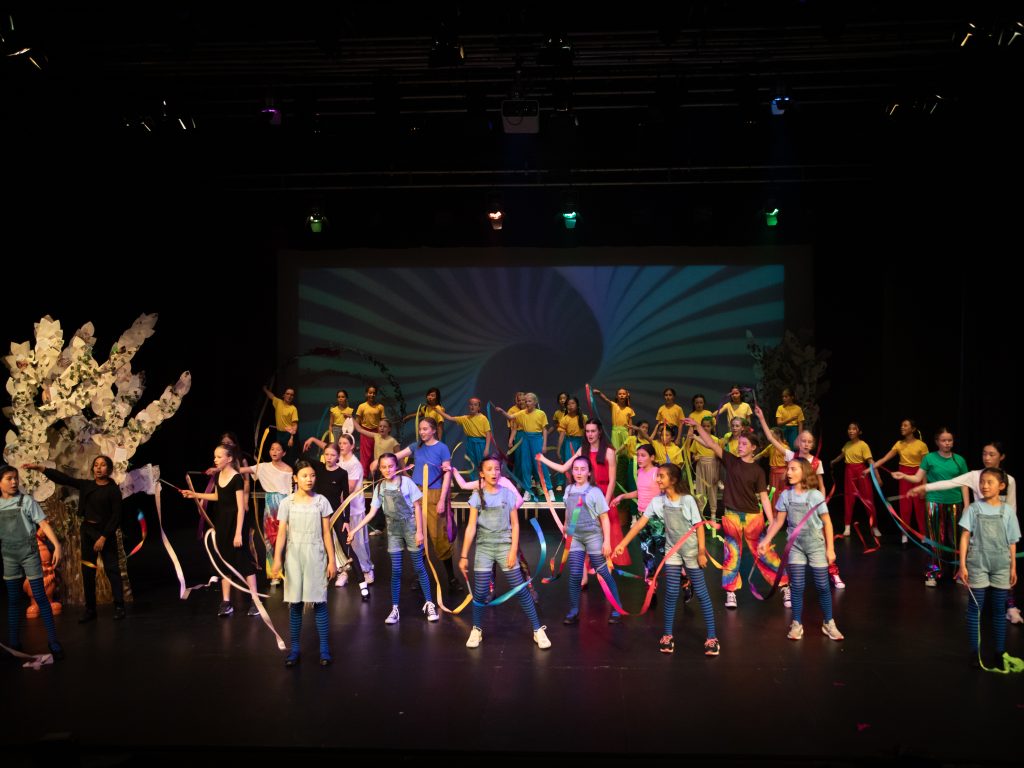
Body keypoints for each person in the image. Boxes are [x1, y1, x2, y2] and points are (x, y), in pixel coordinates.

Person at [615, 463, 719, 656]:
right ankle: (668, 635)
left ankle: (712, 636)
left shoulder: (688, 500)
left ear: (673, 480)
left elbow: (699, 526)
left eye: (661, 476)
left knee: (703, 594)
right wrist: (623, 543)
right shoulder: (658, 501)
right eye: (658, 476)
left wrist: (702, 551)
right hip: (673, 551)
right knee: (671, 593)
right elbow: (639, 524)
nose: (658, 479)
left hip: (691, 552)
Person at [911, 441, 1020, 623]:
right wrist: (925, 487)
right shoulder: (974, 476)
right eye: (984, 453)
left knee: (1004, 573)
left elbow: (1012, 510)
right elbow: (949, 483)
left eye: (992, 454)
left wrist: (1009, 537)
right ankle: (975, 609)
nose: (986, 458)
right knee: (977, 574)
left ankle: (1011, 607)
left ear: (1001, 457)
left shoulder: (1009, 481)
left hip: (1000, 537)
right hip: (979, 535)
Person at [685, 416, 783, 610]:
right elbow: (712, 443)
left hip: (754, 517)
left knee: (765, 553)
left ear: (753, 447)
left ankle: (784, 584)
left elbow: (764, 497)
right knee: (732, 554)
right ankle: (730, 592)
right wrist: (697, 427)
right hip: (731, 516)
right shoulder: (730, 460)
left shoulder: (758, 471)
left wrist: (771, 521)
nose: (739, 446)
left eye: (744, 443)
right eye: (739, 443)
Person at [459, 456, 550, 650]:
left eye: (497, 469)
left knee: (520, 589)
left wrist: (512, 551)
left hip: (504, 546)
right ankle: (476, 629)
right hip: (484, 547)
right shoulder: (477, 496)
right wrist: (464, 555)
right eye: (489, 469)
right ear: (482, 474)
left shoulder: (508, 494)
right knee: (481, 592)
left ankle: (537, 629)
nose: (494, 472)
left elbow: (515, 525)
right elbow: (471, 527)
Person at [28, 456, 126, 622]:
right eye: (96, 465)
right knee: (88, 572)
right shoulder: (87, 485)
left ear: (108, 469)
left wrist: (103, 537)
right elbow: (64, 479)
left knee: (112, 571)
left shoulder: (113, 490)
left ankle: (119, 607)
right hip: (88, 532)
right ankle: (90, 610)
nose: (98, 468)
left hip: (105, 534)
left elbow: (116, 516)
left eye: (103, 465)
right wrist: (41, 469)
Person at [347, 453, 438, 625]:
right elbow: (372, 512)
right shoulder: (380, 488)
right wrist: (354, 530)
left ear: (396, 466)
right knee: (396, 570)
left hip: (410, 527)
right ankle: (395, 608)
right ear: (380, 469)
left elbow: (417, 507)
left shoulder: (407, 483)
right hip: (393, 530)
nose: (387, 470)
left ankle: (430, 603)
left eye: (390, 466)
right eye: (384, 467)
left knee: (419, 567)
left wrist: (420, 532)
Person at [760, 459, 844, 641]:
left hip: (815, 545)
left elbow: (827, 523)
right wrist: (766, 540)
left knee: (822, 585)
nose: (788, 472)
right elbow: (778, 522)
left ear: (804, 472)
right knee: (797, 586)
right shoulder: (785, 496)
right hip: (795, 546)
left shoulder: (815, 496)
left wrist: (830, 549)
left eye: (793, 469)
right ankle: (797, 623)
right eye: (788, 469)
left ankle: (828, 622)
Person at [271, 460, 337, 667]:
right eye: (305, 476)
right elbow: (281, 533)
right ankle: (295, 649)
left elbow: (327, 533)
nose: (309, 479)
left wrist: (332, 560)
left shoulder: (321, 501)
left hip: (315, 554)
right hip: (294, 556)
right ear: (295, 478)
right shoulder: (287, 503)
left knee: (319, 602)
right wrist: (277, 559)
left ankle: (325, 650)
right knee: (295, 604)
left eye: (312, 476)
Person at [182, 444, 259, 617]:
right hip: (222, 523)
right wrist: (195, 495)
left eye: (218, 457)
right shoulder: (218, 476)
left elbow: (240, 508)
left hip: (236, 524)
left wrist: (239, 532)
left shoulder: (237, 478)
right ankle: (226, 602)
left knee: (244, 561)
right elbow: (217, 496)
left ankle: (255, 601)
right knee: (225, 562)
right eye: (214, 456)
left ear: (229, 458)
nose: (215, 459)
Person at [958, 467, 1021, 673]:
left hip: (1001, 565)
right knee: (975, 609)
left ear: (1001, 486)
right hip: (978, 562)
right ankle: (974, 652)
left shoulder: (1007, 511)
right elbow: (965, 536)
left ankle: (999, 652)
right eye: (982, 482)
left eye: (989, 482)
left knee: (998, 610)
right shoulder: (974, 509)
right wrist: (963, 564)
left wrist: (1013, 566)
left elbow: (1012, 541)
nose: (984, 485)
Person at [389, 418, 461, 594]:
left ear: (434, 430)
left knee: (438, 537)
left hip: (434, 493)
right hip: (415, 494)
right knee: (416, 536)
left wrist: (442, 500)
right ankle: (420, 576)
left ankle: (451, 577)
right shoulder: (416, 446)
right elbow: (395, 457)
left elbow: (447, 475)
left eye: (425, 429)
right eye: (420, 429)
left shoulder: (442, 448)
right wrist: (381, 461)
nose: (422, 432)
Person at [1, 465, 64, 659]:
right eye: (9, 478)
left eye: (15, 478)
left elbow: (43, 524)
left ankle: (53, 641)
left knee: (40, 596)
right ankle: (14, 641)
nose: (14, 482)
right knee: (13, 600)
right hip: (9, 556)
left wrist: (57, 545)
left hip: (29, 554)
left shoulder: (26, 501)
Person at [893, 427, 968, 586]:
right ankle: (933, 572)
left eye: (950, 440)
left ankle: (959, 572)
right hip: (934, 503)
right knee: (934, 539)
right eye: (943, 440)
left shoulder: (959, 460)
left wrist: (967, 506)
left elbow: (964, 484)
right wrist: (904, 475)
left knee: (955, 540)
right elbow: (917, 478)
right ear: (937, 442)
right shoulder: (929, 458)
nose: (947, 443)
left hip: (955, 504)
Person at [871, 419, 929, 545]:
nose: (902, 427)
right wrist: (870, 468)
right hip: (904, 476)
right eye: (901, 425)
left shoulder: (921, 445)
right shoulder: (899, 444)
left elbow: (926, 467)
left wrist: (924, 486)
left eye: (905, 425)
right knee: (905, 507)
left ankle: (923, 535)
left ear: (913, 429)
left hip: (918, 475)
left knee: (919, 507)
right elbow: (884, 459)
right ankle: (905, 534)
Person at [829, 422, 881, 538]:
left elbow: (871, 462)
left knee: (868, 499)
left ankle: (874, 527)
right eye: (849, 429)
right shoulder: (847, 444)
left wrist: (878, 478)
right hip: (849, 472)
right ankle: (847, 526)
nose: (851, 431)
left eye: (854, 429)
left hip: (861, 472)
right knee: (849, 499)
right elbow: (841, 456)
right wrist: (834, 461)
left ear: (859, 432)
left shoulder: (863, 445)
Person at [436, 398, 492, 480]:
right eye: (471, 404)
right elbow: (450, 418)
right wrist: (438, 411)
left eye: (475, 405)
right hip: (470, 443)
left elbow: (488, 434)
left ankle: (485, 482)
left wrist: (486, 448)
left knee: (482, 463)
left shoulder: (483, 418)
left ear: (479, 407)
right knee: (471, 464)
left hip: (480, 443)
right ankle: (475, 483)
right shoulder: (465, 418)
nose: (472, 407)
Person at [262, 385, 299, 461]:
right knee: (279, 453)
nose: (289, 396)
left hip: (288, 434)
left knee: (287, 454)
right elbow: (271, 396)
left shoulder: (293, 409)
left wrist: (291, 438)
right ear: (284, 395)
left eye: (291, 395)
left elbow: (294, 425)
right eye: (288, 394)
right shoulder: (278, 402)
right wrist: (265, 389)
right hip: (279, 433)